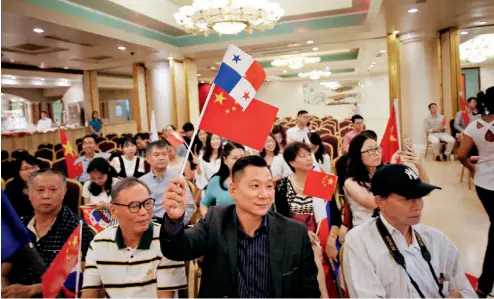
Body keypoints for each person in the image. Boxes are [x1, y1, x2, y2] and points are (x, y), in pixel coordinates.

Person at [160, 156, 320, 298]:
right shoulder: (216, 220)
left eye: (269, 186)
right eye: (255, 186)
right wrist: (174, 220)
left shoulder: (294, 232)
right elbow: (177, 249)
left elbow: (309, 291)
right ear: (233, 190)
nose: (264, 194)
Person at [343, 164, 476, 298]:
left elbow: (465, 290)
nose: (417, 206)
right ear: (380, 202)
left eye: (419, 197)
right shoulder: (360, 242)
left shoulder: (435, 239)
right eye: (407, 199)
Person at [81, 178, 186, 298]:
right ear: (114, 211)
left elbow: (166, 296)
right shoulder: (99, 243)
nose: (143, 212)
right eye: (134, 206)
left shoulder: (166, 241)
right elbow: (89, 294)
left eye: (147, 203)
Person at [1, 169, 94, 298]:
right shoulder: (19, 226)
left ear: (64, 192)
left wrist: (32, 290)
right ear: (29, 193)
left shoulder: (78, 229)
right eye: (40, 190)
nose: (46, 196)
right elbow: (3, 272)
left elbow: (88, 275)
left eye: (53, 190)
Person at [344, 134, 428, 227]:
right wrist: (391, 174)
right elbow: (374, 203)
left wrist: (420, 166)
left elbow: (422, 191)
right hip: (367, 231)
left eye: (377, 148)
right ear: (358, 155)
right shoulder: (351, 182)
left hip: (393, 226)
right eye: (370, 150)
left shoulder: (385, 171)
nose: (376, 153)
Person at [457, 86, 494, 298]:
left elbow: (461, 154)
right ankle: (485, 283)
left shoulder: (473, 126)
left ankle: (485, 283)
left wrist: (473, 170)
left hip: (484, 182)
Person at [274, 142, 341, 257]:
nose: (309, 158)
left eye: (309, 154)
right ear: (292, 162)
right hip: (295, 236)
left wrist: (332, 238)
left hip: (324, 235)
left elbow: (336, 218)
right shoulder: (282, 186)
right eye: (302, 156)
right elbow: (283, 220)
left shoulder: (321, 181)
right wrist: (303, 233)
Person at [139, 141, 195, 224]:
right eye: (157, 155)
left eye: (164, 154)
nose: (161, 158)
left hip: (173, 223)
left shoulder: (178, 179)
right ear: (148, 158)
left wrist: (178, 225)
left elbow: (189, 206)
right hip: (148, 224)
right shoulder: (141, 182)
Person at [200, 142, 245, 217]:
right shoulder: (216, 181)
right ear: (225, 160)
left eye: (243, 157)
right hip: (221, 225)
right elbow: (204, 204)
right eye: (235, 158)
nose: (239, 161)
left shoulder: (253, 180)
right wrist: (209, 220)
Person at [83, 158, 120, 226]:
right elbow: (87, 209)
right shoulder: (88, 185)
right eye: (93, 178)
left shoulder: (117, 183)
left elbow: (122, 209)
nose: (97, 181)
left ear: (107, 172)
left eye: (100, 178)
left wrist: (106, 206)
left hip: (116, 221)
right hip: (95, 221)